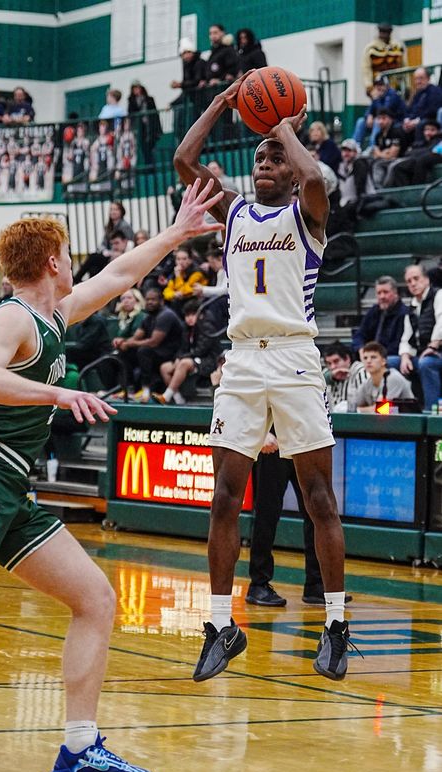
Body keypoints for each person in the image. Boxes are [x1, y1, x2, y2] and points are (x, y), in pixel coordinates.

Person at [0, 181, 223, 772]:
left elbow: (118, 277)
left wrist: (178, 231)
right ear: (52, 259)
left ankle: (80, 746)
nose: (76, 260)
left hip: (12, 481)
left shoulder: (53, 313)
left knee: (96, 599)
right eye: (69, 250)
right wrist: (59, 392)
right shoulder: (10, 316)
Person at [174, 70, 354, 682]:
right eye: (259, 155)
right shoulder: (235, 214)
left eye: (275, 155)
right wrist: (224, 103)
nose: (265, 162)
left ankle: (334, 625)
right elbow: (183, 159)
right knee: (225, 497)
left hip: (296, 360)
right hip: (244, 362)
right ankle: (221, 626)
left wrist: (280, 123)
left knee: (320, 498)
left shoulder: (310, 214)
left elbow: (316, 177)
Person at [247, 432, 353, 606]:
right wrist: (262, 433)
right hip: (274, 446)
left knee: (317, 512)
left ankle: (316, 584)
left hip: (302, 442)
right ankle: (258, 584)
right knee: (267, 514)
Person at [114, 287, 183, 403]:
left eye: (153, 300)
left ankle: (146, 389)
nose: (150, 302)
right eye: (147, 300)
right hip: (157, 352)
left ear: (161, 301)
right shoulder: (149, 317)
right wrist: (124, 343)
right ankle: (129, 388)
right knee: (124, 352)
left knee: (144, 351)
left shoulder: (166, 315)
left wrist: (129, 343)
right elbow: (137, 336)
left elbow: (154, 342)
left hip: (172, 353)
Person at [152, 298, 222, 405]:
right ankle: (178, 399)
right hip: (191, 358)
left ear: (200, 314)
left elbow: (201, 350)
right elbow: (182, 348)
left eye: (192, 315)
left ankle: (166, 396)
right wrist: (177, 358)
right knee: (165, 367)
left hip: (208, 361)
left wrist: (182, 358)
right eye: (187, 315)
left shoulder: (207, 327)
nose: (189, 318)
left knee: (184, 363)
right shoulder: (186, 328)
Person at [398, 264, 442, 410]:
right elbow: (406, 337)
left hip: (437, 353)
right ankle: (404, 412)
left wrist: (433, 345)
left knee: (426, 364)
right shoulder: (411, 306)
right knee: (390, 362)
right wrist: (405, 356)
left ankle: (431, 412)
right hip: (421, 354)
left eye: (416, 279)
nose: (413, 283)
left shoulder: (438, 295)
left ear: (426, 279)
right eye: (409, 281)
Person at [74, 202, 134, 283]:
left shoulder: (124, 226)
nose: (113, 212)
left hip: (118, 255)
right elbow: (102, 244)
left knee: (93, 257)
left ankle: (77, 278)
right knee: (93, 269)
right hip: (108, 253)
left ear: (121, 212)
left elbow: (128, 244)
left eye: (116, 209)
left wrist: (113, 252)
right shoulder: (109, 226)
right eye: (111, 209)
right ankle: (91, 287)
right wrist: (105, 251)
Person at [352, 276, 408, 359]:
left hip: (391, 357)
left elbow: (397, 345)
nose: (382, 296)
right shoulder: (374, 311)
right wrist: (361, 349)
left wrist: (375, 355)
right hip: (371, 356)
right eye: (379, 293)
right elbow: (360, 334)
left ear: (395, 293)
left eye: (385, 292)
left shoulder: (404, 313)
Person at [356, 341, 415, 411]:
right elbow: (353, 406)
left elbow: (383, 409)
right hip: (384, 421)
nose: (368, 361)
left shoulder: (393, 378)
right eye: (365, 358)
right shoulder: (367, 383)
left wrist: (360, 410)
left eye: (373, 357)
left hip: (408, 420)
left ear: (384, 361)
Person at [352, 77, 407, 150]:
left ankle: (372, 148)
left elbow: (384, 112)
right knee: (361, 121)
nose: (379, 87)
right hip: (382, 120)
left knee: (378, 121)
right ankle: (354, 147)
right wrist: (369, 115)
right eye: (377, 85)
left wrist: (376, 99)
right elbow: (370, 110)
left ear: (386, 85)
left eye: (381, 84)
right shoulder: (378, 96)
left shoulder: (392, 94)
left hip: (395, 121)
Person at [385, 118, 442, 187]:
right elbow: (407, 153)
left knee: (419, 161)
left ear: (438, 131)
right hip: (415, 160)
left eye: (432, 130)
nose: (428, 133)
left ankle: (415, 190)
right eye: (426, 130)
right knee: (397, 166)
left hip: (428, 159)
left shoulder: (438, 139)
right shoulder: (422, 142)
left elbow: (431, 151)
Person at [361, 23, 407, 96]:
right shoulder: (371, 48)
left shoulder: (398, 47)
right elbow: (366, 68)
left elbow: (404, 67)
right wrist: (369, 86)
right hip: (378, 85)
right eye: (382, 32)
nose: (384, 35)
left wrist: (407, 86)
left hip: (395, 85)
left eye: (387, 32)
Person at [323, 342, 368, 412]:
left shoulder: (360, 370)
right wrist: (330, 376)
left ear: (347, 359)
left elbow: (365, 400)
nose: (332, 366)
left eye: (336, 361)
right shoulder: (327, 372)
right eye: (329, 363)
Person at [402, 68, 442, 146]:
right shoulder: (417, 93)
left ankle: (418, 149)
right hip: (415, 121)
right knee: (400, 127)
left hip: (429, 120)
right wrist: (407, 120)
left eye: (421, 78)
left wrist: (416, 121)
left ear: (428, 78)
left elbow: (432, 111)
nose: (418, 81)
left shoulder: (435, 91)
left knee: (421, 125)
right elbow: (409, 110)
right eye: (416, 79)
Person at [371, 107, 408, 188]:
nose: (381, 121)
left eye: (384, 118)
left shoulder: (396, 132)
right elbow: (375, 154)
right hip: (385, 160)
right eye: (379, 118)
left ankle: (382, 189)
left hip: (401, 159)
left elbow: (392, 155)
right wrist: (384, 153)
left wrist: (380, 153)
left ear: (390, 119)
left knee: (379, 164)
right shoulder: (378, 135)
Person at [127, 81, 162, 166]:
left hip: (150, 126)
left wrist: (159, 129)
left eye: (138, 88)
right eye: (134, 88)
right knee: (144, 147)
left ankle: (152, 165)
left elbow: (155, 114)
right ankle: (148, 165)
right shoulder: (131, 101)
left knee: (151, 146)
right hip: (140, 128)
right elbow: (131, 114)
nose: (136, 90)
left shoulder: (149, 99)